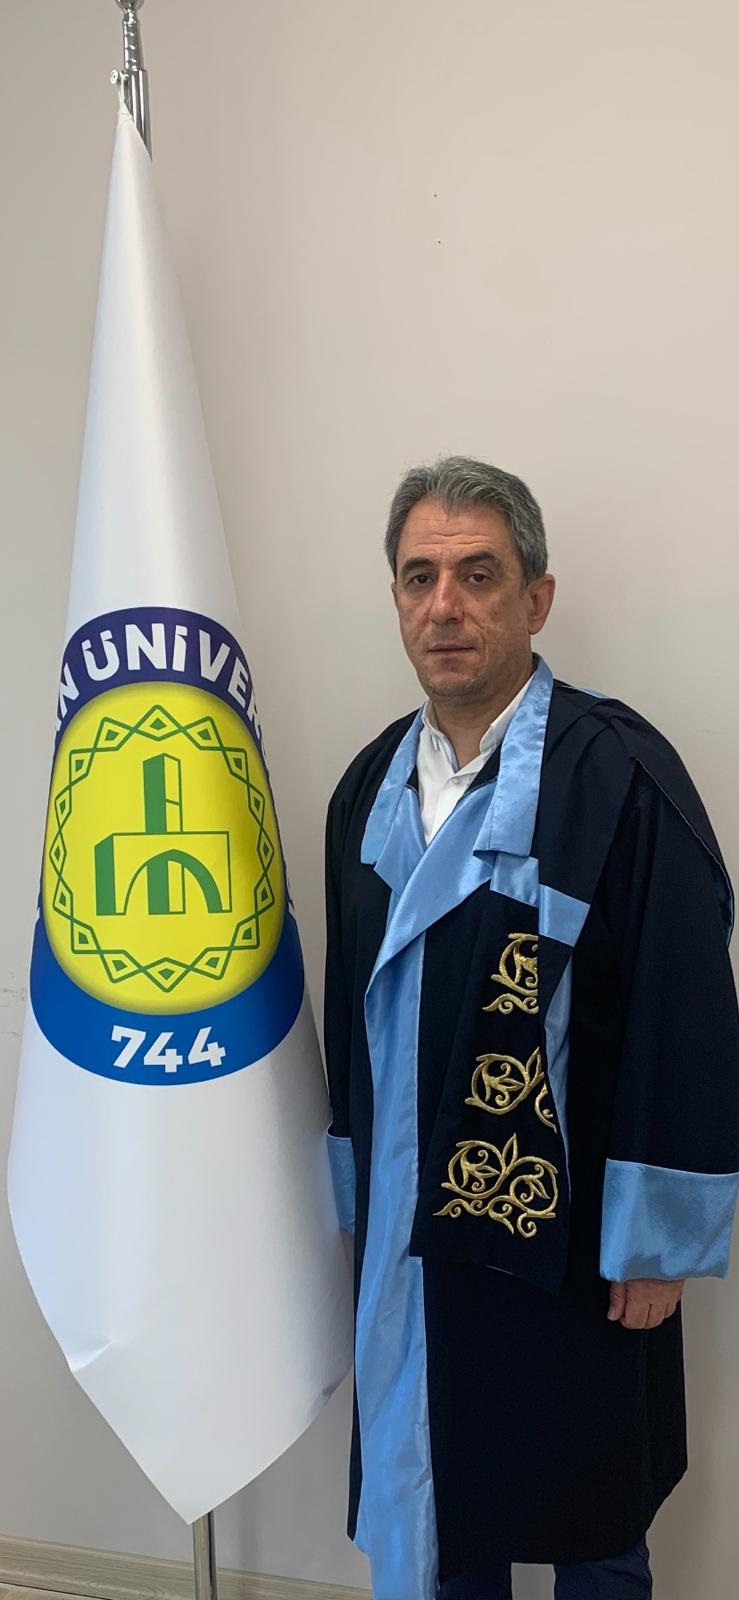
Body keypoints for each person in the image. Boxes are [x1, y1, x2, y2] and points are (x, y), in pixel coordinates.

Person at [322, 457, 739, 1600]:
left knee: (587, 1510)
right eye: (419, 577)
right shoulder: (365, 791)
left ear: (535, 598)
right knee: (444, 1497)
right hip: (416, 1228)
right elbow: (348, 1011)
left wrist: (655, 1245)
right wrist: (356, 1196)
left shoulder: (617, 776)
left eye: (477, 574)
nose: (444, 606)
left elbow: (683, 1013)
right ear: (395, 599)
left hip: (572, 1239)